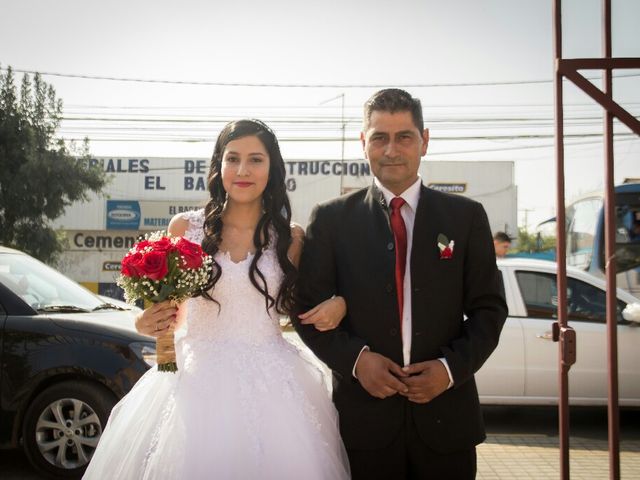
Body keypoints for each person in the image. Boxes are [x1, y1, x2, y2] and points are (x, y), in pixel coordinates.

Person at [84, 119, 350, 479]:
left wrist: (341, 303)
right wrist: (144, 321)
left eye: (256, 159)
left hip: (275, 385)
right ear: (218, 165)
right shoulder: (185, 229)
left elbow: (310, 302)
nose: (243, 170)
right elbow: (163, 311)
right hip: (195, 379)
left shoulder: (291, 238)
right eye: (232, 158)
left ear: (272, 170)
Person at [293, 89, 507, 479]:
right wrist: (357, 362)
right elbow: (306, 312)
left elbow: (489, 310)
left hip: (448, 423)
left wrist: (449, 369)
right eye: (379, 137)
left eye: (404, 136)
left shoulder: (466, 217)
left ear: (424, 140)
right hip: (362, 425)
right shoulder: (330, 220)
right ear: (364, 143)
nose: (391, 149)